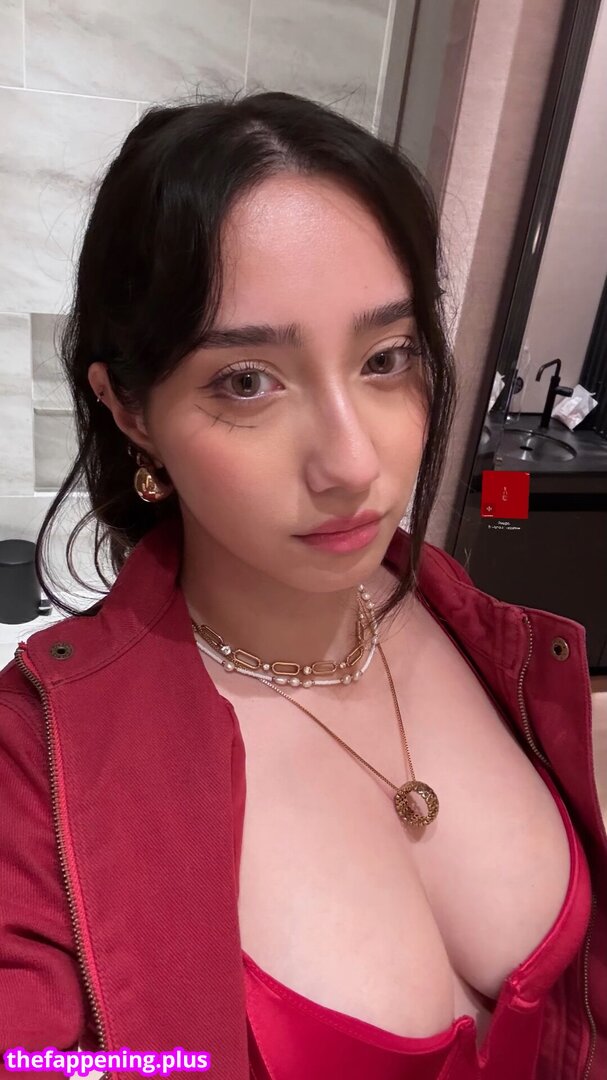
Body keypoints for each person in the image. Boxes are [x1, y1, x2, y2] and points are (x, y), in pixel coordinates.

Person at [0, 90, 605, 1080]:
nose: (352, 462)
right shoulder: (38, 770)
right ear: (131, 411)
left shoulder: (468, 622)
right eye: (246, 380)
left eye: (385, 358)